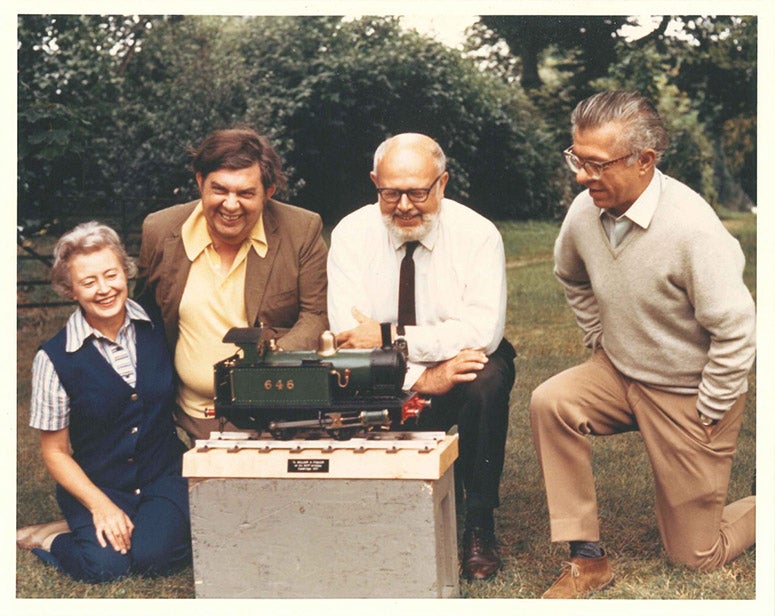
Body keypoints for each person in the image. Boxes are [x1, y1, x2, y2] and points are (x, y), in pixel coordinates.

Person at [530, 91, 756, 599]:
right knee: (552, 402)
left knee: (696, 557)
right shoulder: (586, 210)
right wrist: (598, 340)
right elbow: (570, 275)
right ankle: (587, 559)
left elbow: (738, 329)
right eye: (576, 158)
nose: (580, 176)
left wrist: (712, 406)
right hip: (619, 372)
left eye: (595, 164)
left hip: (687, 392)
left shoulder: (694, 230)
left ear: (644, 161)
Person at [327, 133, 516, 581]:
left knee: (486, 377)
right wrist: (420, 378)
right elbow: (351, 338)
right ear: (375, 183)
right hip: (384, 372)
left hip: (462, 363)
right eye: (390, 193)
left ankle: (479, 524)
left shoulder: (478, 235)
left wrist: (395, 337)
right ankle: (370, 507)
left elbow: (481, 331)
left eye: (418, 192)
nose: (405, 206)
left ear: (443, 183)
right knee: (342, 373)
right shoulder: (351, 235)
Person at [16, 222, 191, 583]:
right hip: (99, 486)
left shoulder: (157, 324)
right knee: (106, 568)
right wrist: (100, 506)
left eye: (111, 275)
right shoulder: (54, 358)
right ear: (71, 291)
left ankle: (145, 526)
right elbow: (56, 452)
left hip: (163, 476)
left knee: (153, 557)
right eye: (88, 282)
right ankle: (54, 538)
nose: (104, 289)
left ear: (125, 272)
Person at [134, 126, 328, 441]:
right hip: (189, 418)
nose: (230, 204)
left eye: (246, 193)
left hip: (275, 411)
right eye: (220, 189)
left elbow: (316, 316)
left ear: (269, 191)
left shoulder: (302, 230)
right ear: (200, 182)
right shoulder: (160, 231)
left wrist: (265, 366)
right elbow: (144, 314)